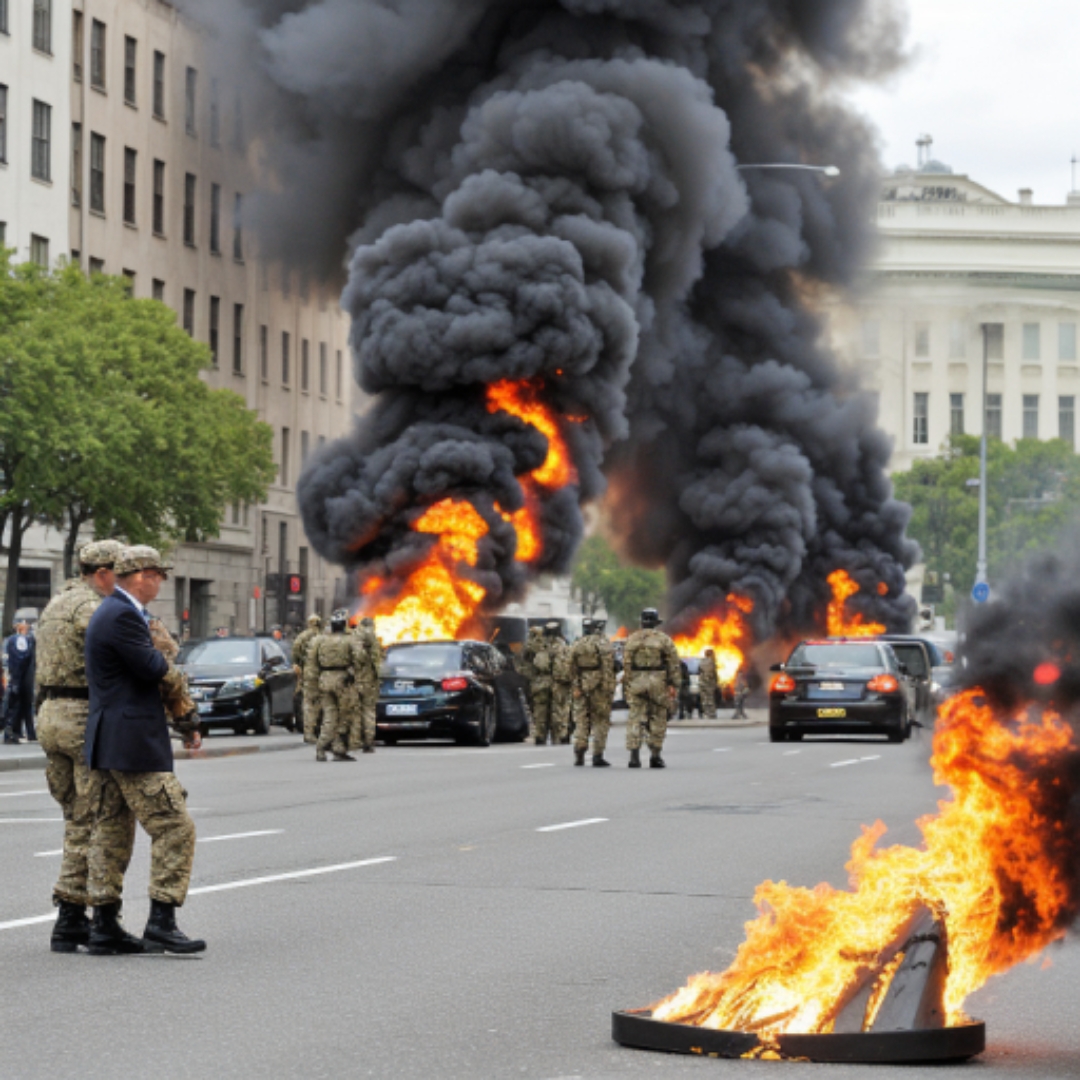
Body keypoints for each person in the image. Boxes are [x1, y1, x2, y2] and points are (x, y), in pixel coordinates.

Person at [84, 545, 204, 956]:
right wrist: (164, 654)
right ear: (142, 576)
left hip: (111, 737)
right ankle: (161, 922)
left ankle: (104, 926)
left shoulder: (111, 610)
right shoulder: (123, 615)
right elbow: (152, 668)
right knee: (175, 826)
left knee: (112, 831)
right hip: (132, 740)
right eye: (158, 575)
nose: (160, 583)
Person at [34, 539, 123, 953]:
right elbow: (116, 651)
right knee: (96, 817)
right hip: (80, 714)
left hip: (50, 714)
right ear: (102, 573)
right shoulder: (92, 607)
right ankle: (78, 915)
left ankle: (69, 917)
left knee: (76, 818)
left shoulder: (56, 603)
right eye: (120, 574)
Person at [622, 608, 680, 768]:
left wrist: (628, 683)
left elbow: (626, 663)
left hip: (637, 681)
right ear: (655, 623)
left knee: (635, 718)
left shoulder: (632, 639)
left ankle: (634, 756)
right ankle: (655, 755)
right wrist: (673, 684)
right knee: (658, 717)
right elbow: (673, 663)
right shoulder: (664, 640)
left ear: (641, 622)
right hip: (658, 682)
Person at [311, 610, 366, 762]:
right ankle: (339, 748)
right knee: (345, 716)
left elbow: (312, 661)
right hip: (342, 680)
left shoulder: (321, 640)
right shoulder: (349, 640)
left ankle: (321, 748)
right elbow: (360, 658)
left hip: (324, 679)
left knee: (329, 715)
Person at [569, 617, 617, 767]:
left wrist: (576, 686)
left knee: (581, 719)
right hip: (600, 687)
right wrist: (609, 688)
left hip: (581, 685)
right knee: (601, 720)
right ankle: (597, 754)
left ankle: (579, 750)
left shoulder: (576, 644)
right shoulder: (603, 643)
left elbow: (570, 667)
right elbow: (608, 667)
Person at [528, 623, 563, 745]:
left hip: (540, 682)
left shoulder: (538, 644)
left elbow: (526, 654)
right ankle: (556, 736)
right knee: (556, 710)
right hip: (556, 682)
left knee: (540, 710)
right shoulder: (561, 644)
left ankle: (540, 735)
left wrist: (535, 635)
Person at [3, 618, 37, 743]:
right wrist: (16, 681)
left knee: (21, 706)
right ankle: (12, 733)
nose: (27, 626)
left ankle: (20, 733)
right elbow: (20, 659)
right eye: (24, 623)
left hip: (21, 678)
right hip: (21, 679)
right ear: (19, 626)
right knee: (16, 706)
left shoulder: (18, 639)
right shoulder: (19, 639)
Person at [353, 616, 382, 753]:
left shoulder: (355, 636)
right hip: (369, 680)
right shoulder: (374, 639)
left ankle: (355, 740)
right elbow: (377, 661)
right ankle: (369, 740)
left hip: (356, 679)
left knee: (354, 711)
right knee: (369, 710)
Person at [291, 614, 322, 741]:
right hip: (322, 672)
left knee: (307, 701)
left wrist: (301, 665)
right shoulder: (323, 636)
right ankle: (320, 727)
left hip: (307, 671)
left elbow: (295, 654)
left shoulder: (302, 637)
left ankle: (308, 730)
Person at [699, 649, 718, 719]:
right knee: (710, 698)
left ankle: (706, 713)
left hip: (702, 682)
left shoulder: (701, 661)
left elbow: (699, 671)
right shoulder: (711, 662)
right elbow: (714, 673)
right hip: (709, 683)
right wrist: (716, 682)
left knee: (704, 699)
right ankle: (711, 713)